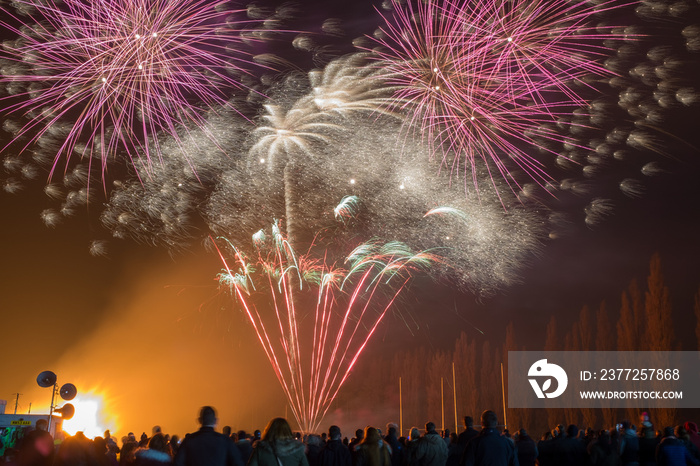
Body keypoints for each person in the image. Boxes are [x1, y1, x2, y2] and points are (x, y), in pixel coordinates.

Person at [174, 406, 243, 466]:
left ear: (199, 420)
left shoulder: (189, 440)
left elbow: (178, 462)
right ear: (215, 421)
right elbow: (237, 462)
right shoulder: (225, 441)